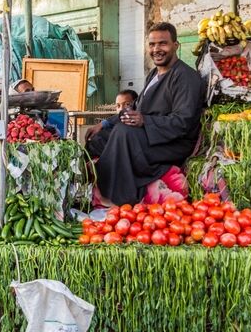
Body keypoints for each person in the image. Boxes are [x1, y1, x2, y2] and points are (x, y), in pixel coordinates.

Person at [85, 23, 205, 207]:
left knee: (124, 133)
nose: (157, 49)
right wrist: (105, 124)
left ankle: (120, 198)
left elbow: (183, 122)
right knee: (97, 139)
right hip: (146, 134)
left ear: (175, 45)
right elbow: (135, 107)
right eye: (152, 44)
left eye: (163, 44)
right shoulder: (153, 75)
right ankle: (93, 183)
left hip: (171, 142)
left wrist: (145, 121)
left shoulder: (185, 77)